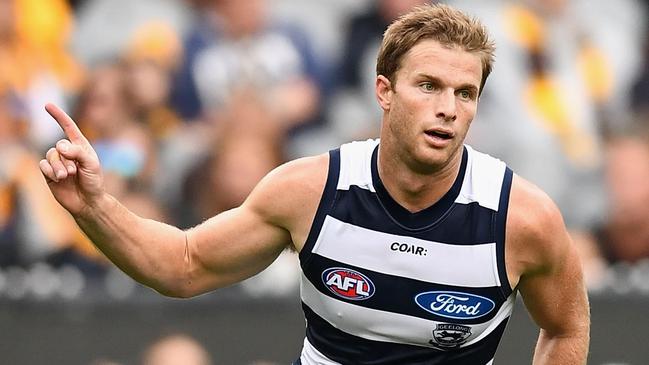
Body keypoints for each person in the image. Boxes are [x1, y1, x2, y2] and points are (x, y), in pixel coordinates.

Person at [39, 4, 589, 364]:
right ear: (384, 91)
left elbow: (566, 328)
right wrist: (93, 205)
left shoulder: (522, 218)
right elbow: (183, 266)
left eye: (464, 93)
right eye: (428, 85)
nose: (447, 109)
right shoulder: (311, 191)